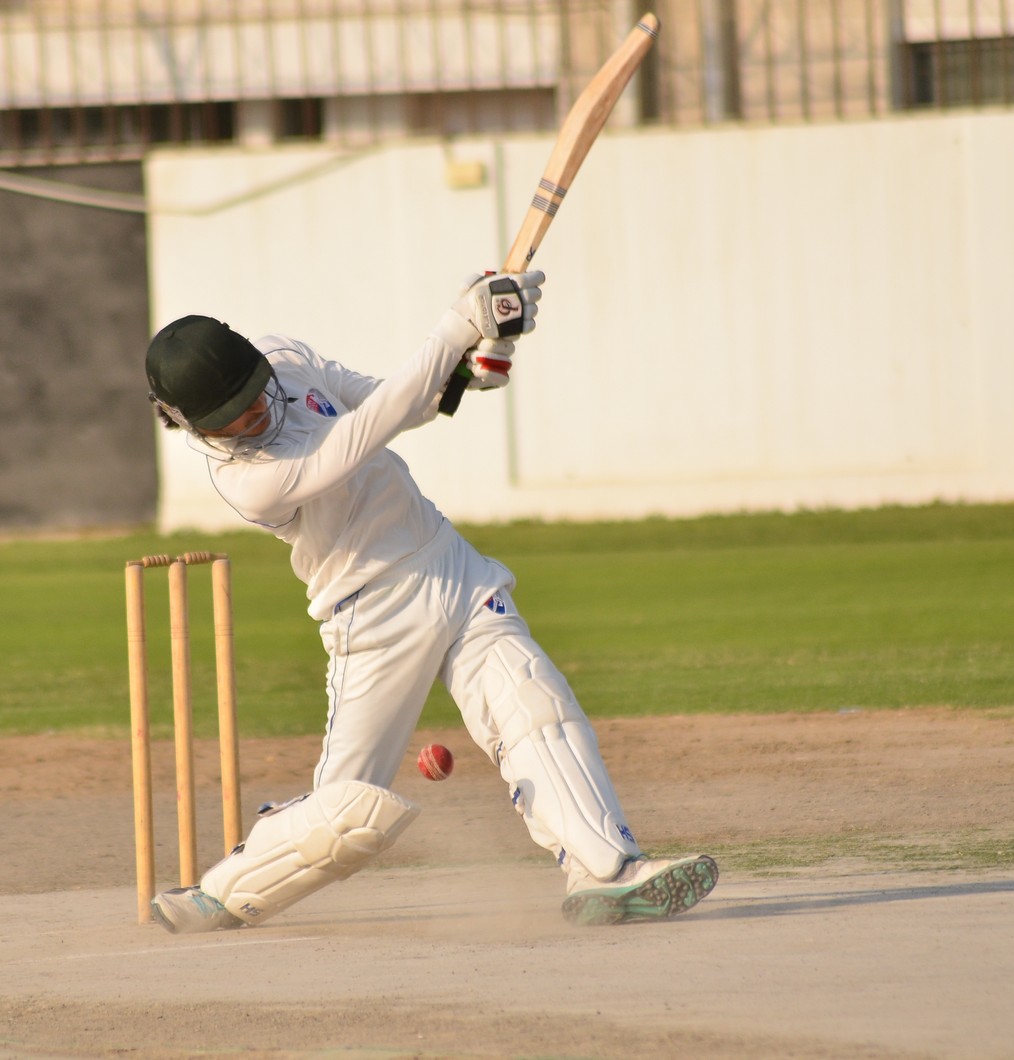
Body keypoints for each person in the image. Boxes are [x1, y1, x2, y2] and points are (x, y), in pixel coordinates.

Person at [142, 271, 717, 932]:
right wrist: (457, 325)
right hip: (372, 610)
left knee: (535, 704)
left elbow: (392, 400)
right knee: (346, 816)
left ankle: (606, 871)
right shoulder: (248, 480)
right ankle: (219, 895)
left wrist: (470, 364)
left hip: (448, 561)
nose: (255, 417)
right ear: (192, 425)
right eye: (233, 419)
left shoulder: (286, 356)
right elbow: (364, 433)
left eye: (253, 397)